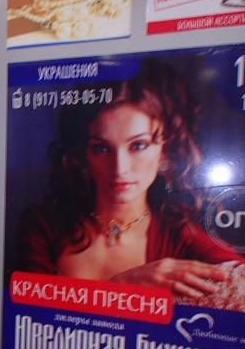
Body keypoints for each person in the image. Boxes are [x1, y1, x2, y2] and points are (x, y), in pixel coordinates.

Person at [15, 58, 245, 305]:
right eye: (101, 148)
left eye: (138, 145)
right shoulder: (43, 225)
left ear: (165, 151)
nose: (120, 168)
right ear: (82, 154)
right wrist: (123, 286)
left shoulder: (181, 236)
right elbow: (25, 312)